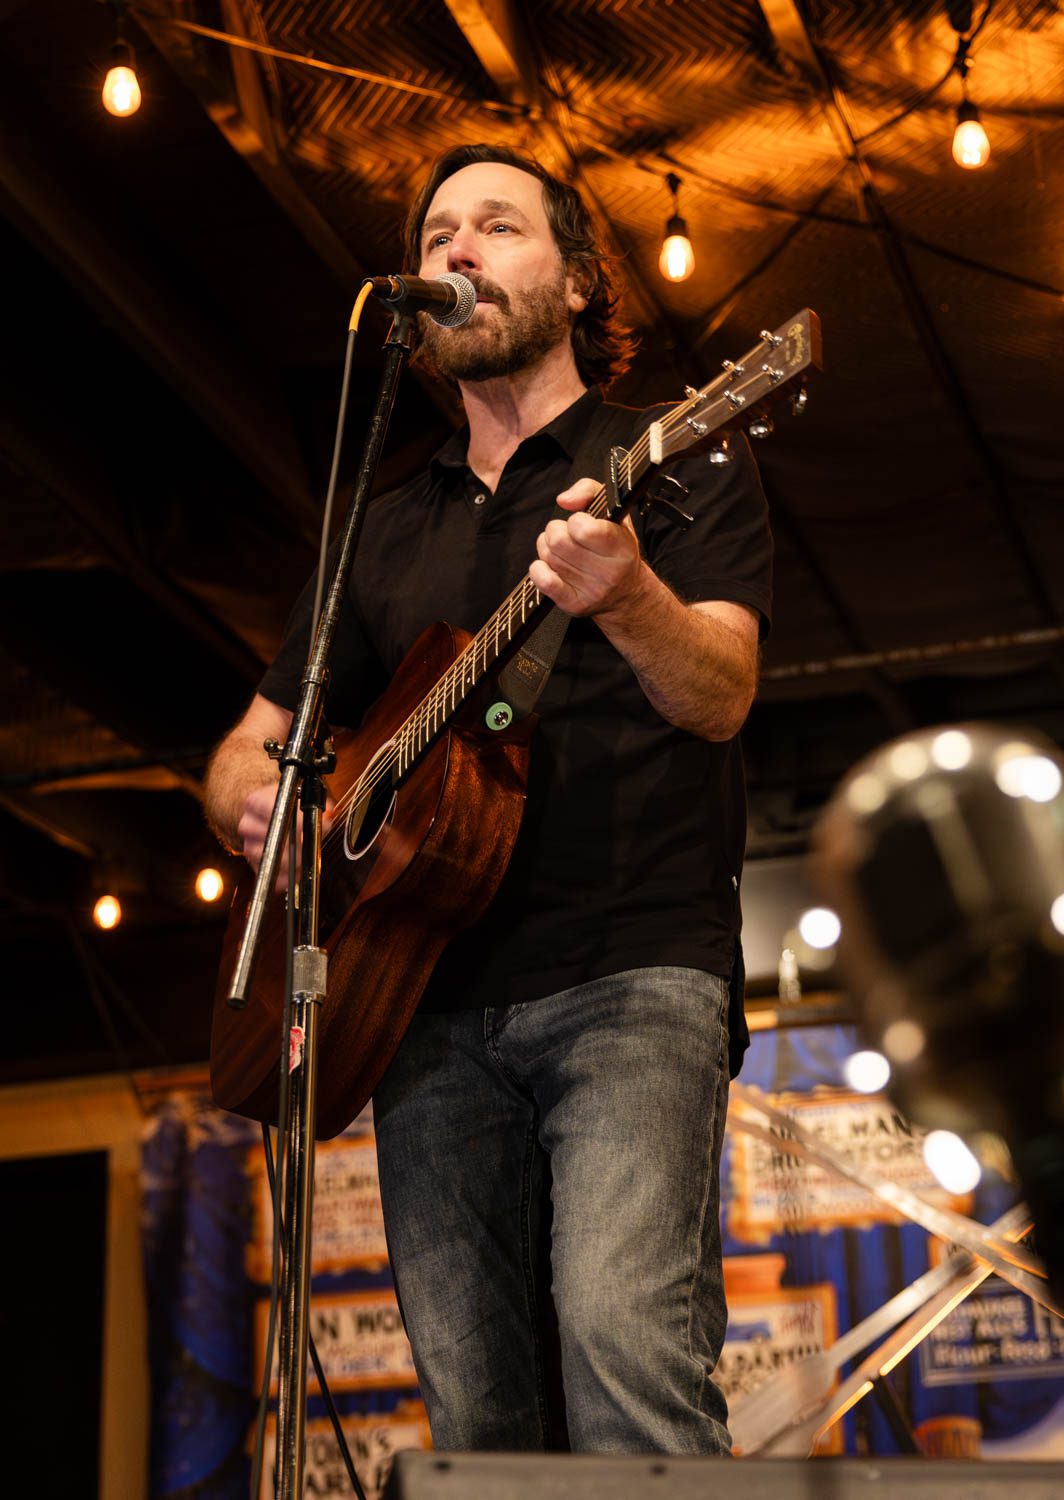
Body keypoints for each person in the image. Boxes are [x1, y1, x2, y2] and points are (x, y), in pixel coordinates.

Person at [204, 143, 772, 1456]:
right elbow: (251, 744)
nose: (456, 251)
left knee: (628, 1347)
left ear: (577, 279)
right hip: (419, 1004)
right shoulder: (384, 520)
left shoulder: (667, 457)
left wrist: (627, 596)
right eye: (438, 230)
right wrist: (261, 809)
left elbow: (724, 690)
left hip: (630, 972)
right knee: (478, 1418)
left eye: (497, 226)